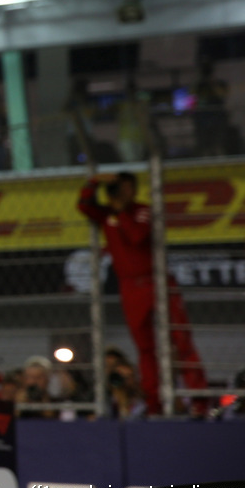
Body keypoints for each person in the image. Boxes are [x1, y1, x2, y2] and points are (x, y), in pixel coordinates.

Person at [78, 172, 209, 415]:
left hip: (156, 281)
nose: (122, 193)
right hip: (129, 287)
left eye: (126, 188)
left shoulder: (142, 211)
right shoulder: (107, 214)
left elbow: (137, 237)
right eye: (118, 188)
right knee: (145, 349)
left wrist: (120, 211)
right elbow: (83, 205)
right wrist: (94, 182)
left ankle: (200, 402)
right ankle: (154, 404)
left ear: (134, 190)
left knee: (181, 342)